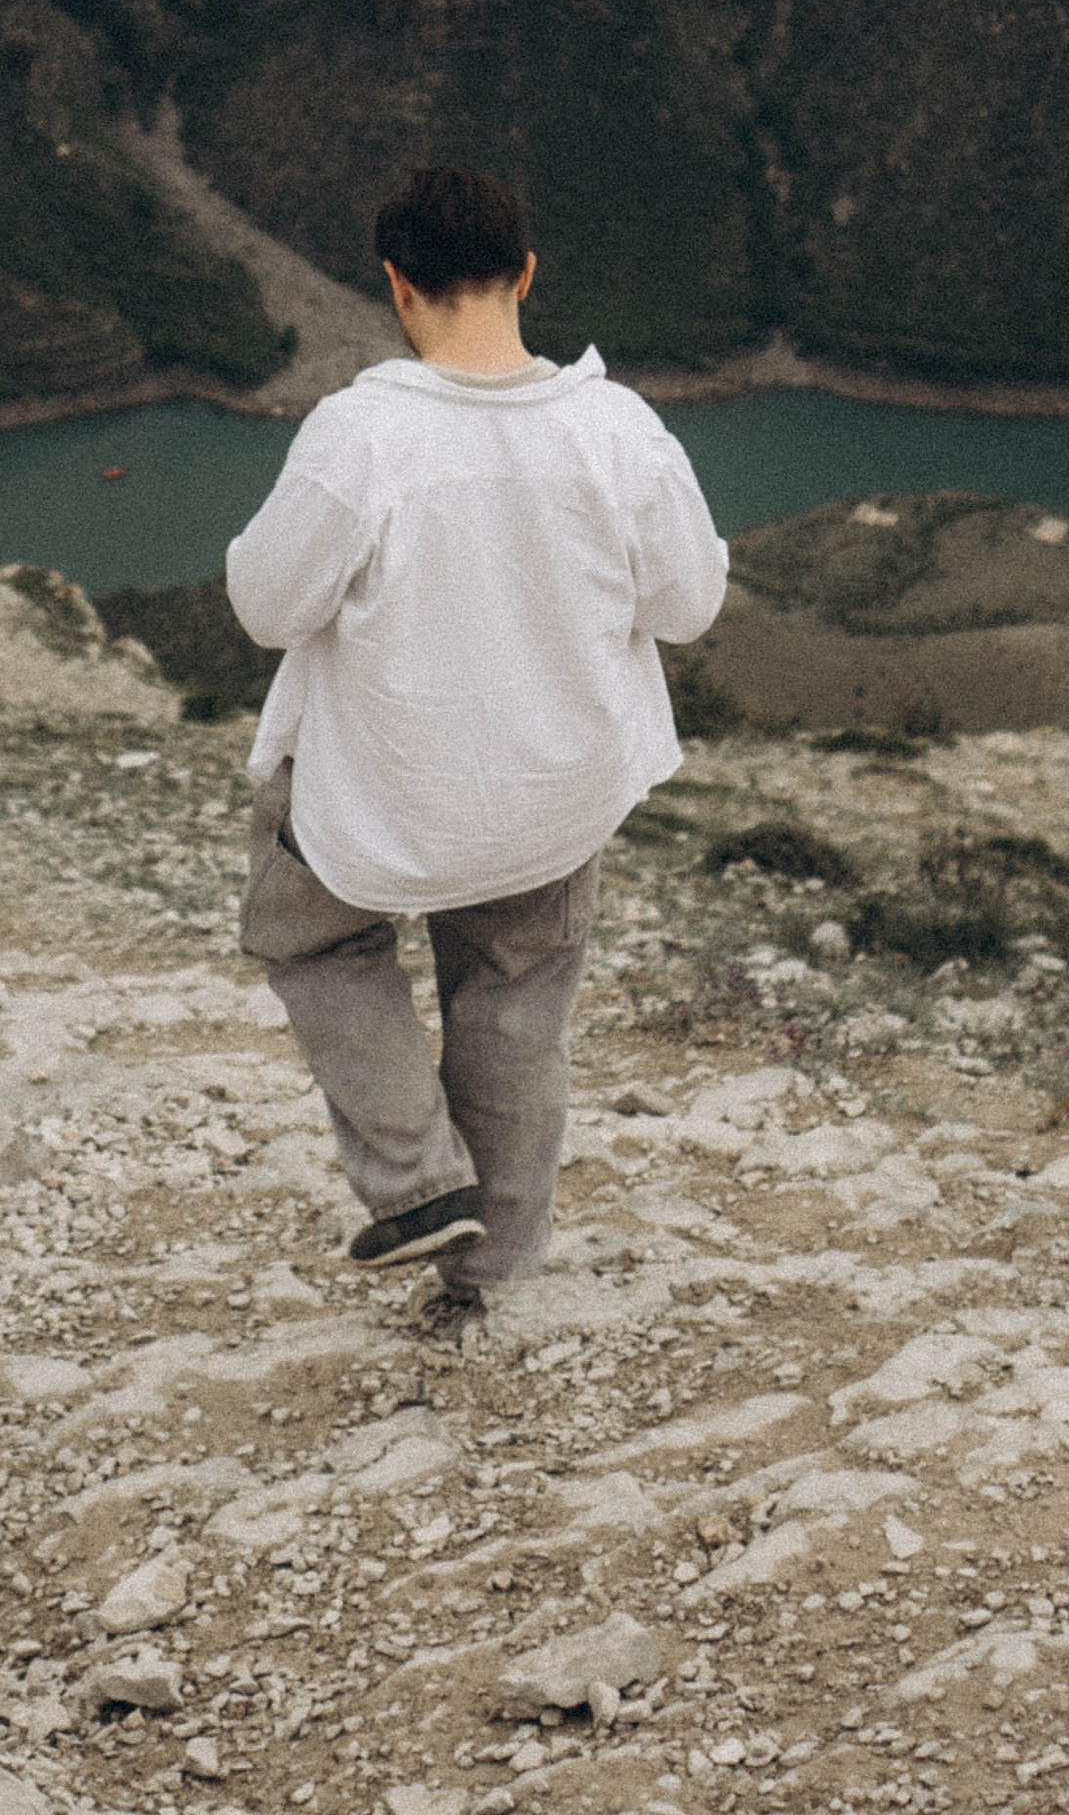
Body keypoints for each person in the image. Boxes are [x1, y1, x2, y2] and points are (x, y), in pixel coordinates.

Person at [226, 162, 728, 1328]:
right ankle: (487, 1279)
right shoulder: (617, 430)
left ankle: (413, 1179)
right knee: (513, 1011)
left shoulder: (363, 435)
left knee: (307, 938)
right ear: (527, 275)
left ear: (398, 288)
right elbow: (690, 604)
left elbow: (268, 607)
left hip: (386, 801)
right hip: (553, 799)